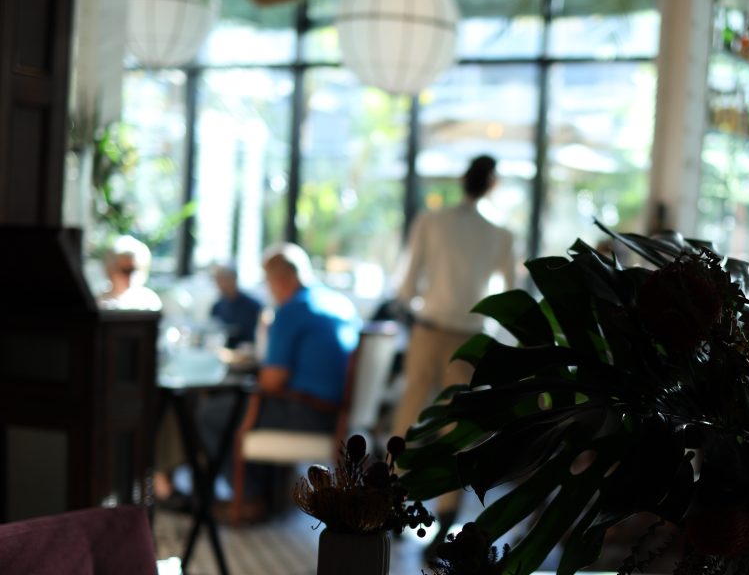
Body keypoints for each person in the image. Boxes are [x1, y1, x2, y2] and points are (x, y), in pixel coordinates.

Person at [391, 154, 517, 542]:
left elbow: (407, 283)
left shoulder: (432, 221)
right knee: (457, 428)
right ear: (492, 184)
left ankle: (392, 499)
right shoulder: (501, 233)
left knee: (409, 417)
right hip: (469, 336)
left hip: (429, 328)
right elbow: (511, 294)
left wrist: (413, 303)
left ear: (463, 179)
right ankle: (446, 516)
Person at [204, 243, 361, 523]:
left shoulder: (292, 310)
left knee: (211, 413)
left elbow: (272, 381)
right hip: (340, 413)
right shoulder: (339, 304)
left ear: (281, 279)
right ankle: (271, 494)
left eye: (267, 281)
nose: (267, 288)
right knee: (238, 407)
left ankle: (250, 497)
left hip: (308, 411)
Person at [97, 235, 162, 311]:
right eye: (126, 271)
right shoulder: (99, 303)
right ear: (111, 270)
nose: (131, 276)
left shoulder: (149, 301)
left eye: (135, 270)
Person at [209, 262, 262, 348]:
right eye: (218, 280)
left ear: (234, 279)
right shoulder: (216, 307)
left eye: (224, 279)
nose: (221, 285)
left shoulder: (254, 307)